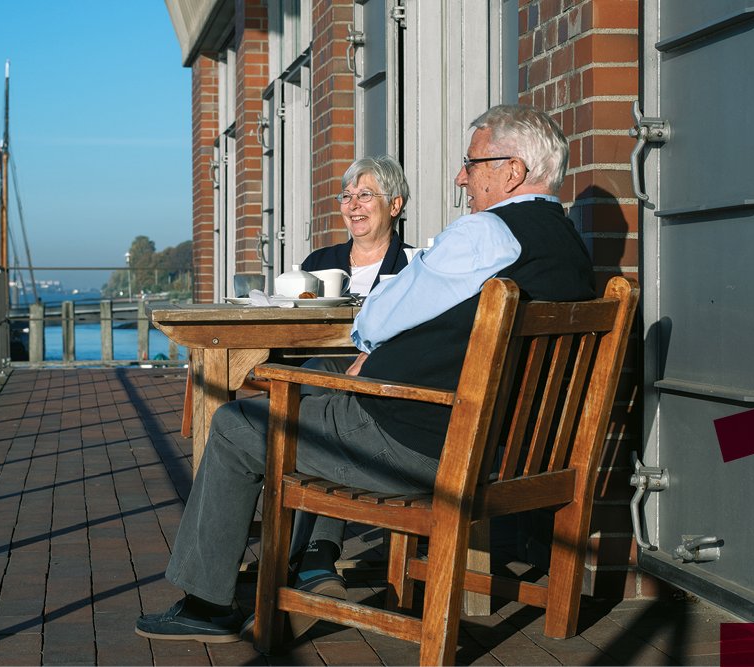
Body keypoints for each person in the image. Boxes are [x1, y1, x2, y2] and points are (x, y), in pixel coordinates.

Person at [134, 104, 595, 645]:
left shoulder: (487, 233)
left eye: (471, 164)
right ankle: (314, 561)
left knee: (238, 424)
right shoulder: (570, 247)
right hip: (511, 452)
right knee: (322, 380)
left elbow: (379, 312)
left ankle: (206, 604)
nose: (460, 177)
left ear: (511, 171)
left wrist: (369, 349)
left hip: (425, 447)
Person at [300, 154, 411, 296]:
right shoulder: (317, 264)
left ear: (394, 205)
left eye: (365, 194)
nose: (352, 205)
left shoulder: (413, 266)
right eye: (346, 196)